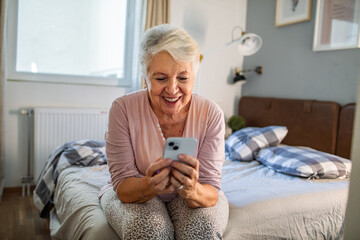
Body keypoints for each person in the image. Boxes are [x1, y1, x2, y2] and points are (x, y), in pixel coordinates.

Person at [100, 24, 229, 240]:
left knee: (203, 230)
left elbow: (211, 188)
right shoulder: (122, 109)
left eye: (183, 78)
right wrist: (147, 186)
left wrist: (192, 190)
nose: (172, 89)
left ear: (193, 78)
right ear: (145, 78)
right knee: (149, 230)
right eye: (160, 78)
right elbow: (122, 187)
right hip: (135, 191)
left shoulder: (211, 113)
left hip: (189, 194)